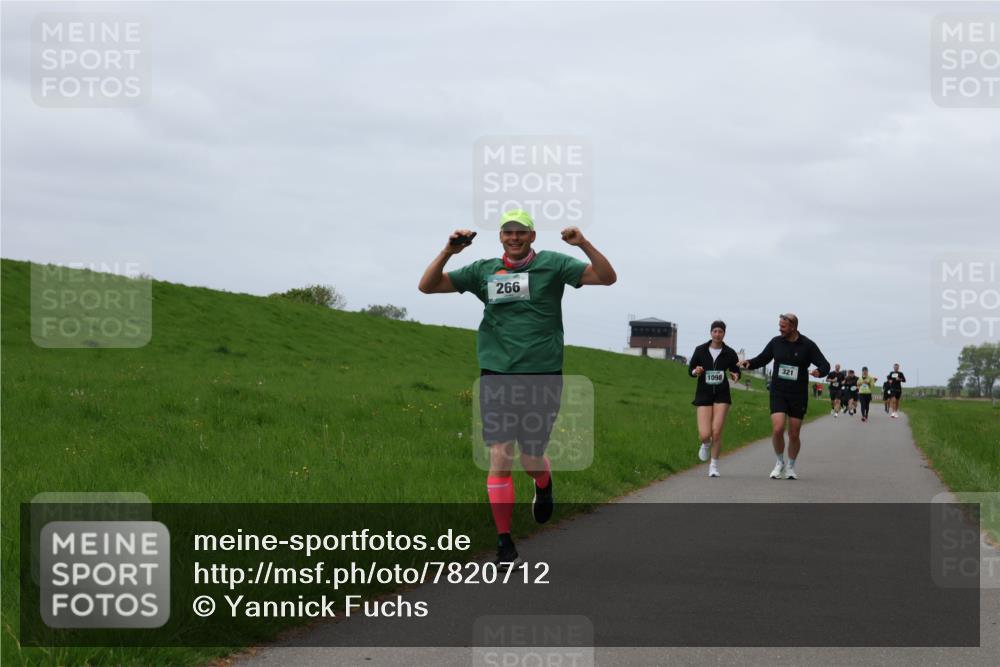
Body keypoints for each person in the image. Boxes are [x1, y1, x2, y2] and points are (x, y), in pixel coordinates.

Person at [418, 210, 616, 566]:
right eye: (508, 232)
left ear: (532, 235)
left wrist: (583, 243)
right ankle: (504, 542)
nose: (514, 237)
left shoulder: (554, 265)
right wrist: (449, 251)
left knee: (530, 458)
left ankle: (543, 482)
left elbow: (607, 277)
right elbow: (427, 286)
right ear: (500, 237)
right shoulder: (483, 270)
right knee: (500, 454)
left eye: (521, 232)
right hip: (497, 373)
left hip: (543, 375)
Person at [739, 313, 830, 480]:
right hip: (778, 392)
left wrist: (820, 371)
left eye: (783, 326)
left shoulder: (807, 345)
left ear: (793, 327)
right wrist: (749, 363)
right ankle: (779, 461)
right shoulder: (776, 342)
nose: (780, 329)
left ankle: (791, 466)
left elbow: (825, 365)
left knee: (794, 433)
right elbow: (763, 358)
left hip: (798, 394)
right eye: (779, 326)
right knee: (778, 428)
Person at [688, 320, 742, 478]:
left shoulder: (729, 352)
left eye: (720, 331)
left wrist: (736, 375)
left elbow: (736, 370)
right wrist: (696, 371)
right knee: (705, 434)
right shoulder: (700, 350)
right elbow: (691, 369)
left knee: (716, 432)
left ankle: (713, 466)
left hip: (722, 394)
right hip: (704, 393)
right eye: (715, 331)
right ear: (711, 333)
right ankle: (705, 444)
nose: (717, 334)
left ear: (724, 333)